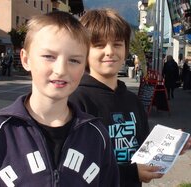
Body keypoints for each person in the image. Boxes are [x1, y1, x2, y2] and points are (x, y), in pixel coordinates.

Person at [0, 11, 119, 187]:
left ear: (84, 67)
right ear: (26, 59)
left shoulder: (96, 136)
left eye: (74, 60)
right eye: (49, 56)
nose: (60, 70)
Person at [69, 8, 163, 187]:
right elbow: (75, 166)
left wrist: (170, 147)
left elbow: (143, 147)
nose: (110, 51)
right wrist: (131, 173)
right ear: (83, 50)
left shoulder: (132, 100)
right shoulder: (75, 101)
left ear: (126, 49)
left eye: (117, 44)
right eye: (99, 45)